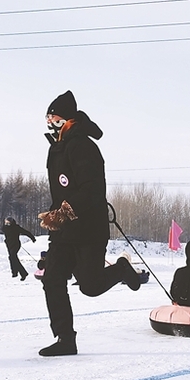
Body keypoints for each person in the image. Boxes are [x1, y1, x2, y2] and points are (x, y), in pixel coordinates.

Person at [38, 90, 141, 357]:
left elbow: (92, 189)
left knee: (90, 286)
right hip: (65, 231)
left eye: (53, 117)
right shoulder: (56, 149)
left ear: (66, 119)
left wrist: (65, 211)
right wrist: (53, 214)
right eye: (47, 117)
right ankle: (65, 339)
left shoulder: (83, 146)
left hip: (88, 229)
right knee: (52, 279)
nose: (49, 122)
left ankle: (120, 270)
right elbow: (61, 192)